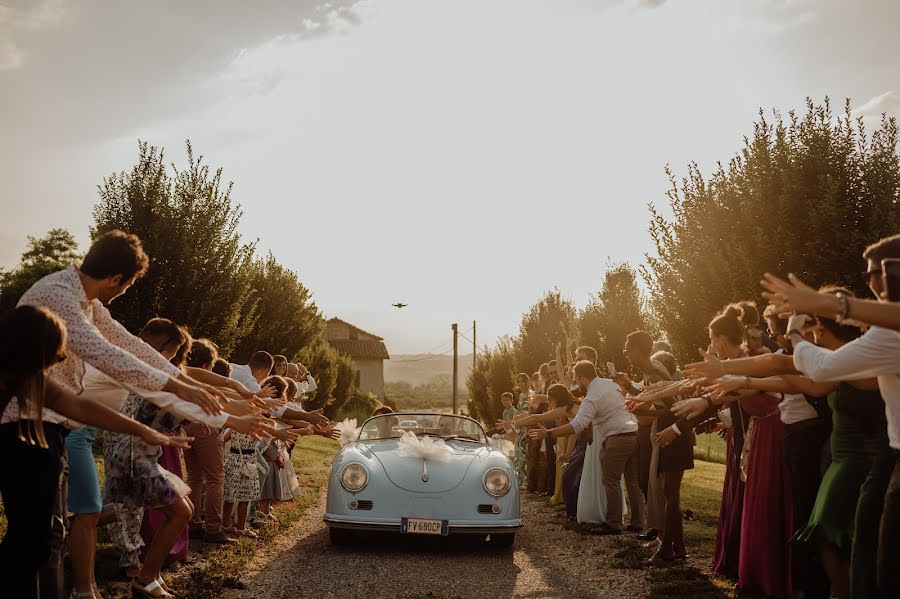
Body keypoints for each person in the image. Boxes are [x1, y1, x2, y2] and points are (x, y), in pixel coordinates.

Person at [3, 230, 227, 599]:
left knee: (50, 535)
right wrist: (178, 386)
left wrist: (177, 379)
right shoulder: (60, 297)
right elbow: (108, 355)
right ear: (117, 280)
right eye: (127, 286)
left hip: (54, 421)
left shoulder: (87, 301)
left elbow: (129, 344)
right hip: (25, 423)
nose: (123, 292)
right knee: (33, 538)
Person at [0, 306, 194, 599]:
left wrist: (143, 430)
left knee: (48, 533)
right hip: (68, 443)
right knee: (47, 533)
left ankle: (85, 588)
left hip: (65, 441)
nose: (62, 357)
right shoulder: (115, 357)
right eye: (55, 349)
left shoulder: (36, 382)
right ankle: (85, 588)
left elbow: (78, 405)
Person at [531, 360, 642, 535]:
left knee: (610, 480)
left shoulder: (592, 397)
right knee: (632, 481)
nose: (575, 383)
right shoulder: (610, 383)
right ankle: (637, 522)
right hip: (634, 433)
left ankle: (613, 524)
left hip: (617, 438)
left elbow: (576, 426)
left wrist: (549, 433)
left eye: (575, 379)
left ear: (583, 379)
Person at [615, 330, 673, 542]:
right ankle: (660, 534)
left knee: (662, 489)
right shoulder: (649, 371)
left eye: (627, 348)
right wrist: (629, 388)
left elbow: (671, 408)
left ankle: (667, 541)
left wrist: (641, 410)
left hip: (666, 434)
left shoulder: (655, 371)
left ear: (637, 350)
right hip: (656, 431)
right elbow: (652, 397)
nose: (625, 353)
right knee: (651, 484)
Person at [183, 339, 237, 545]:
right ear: (207, 365)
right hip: (206, 427)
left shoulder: (183, 377)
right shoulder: (205, 382)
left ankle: (194, 524)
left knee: (195, 478)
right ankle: (213, 528)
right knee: (215, 479)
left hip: (186, 427)